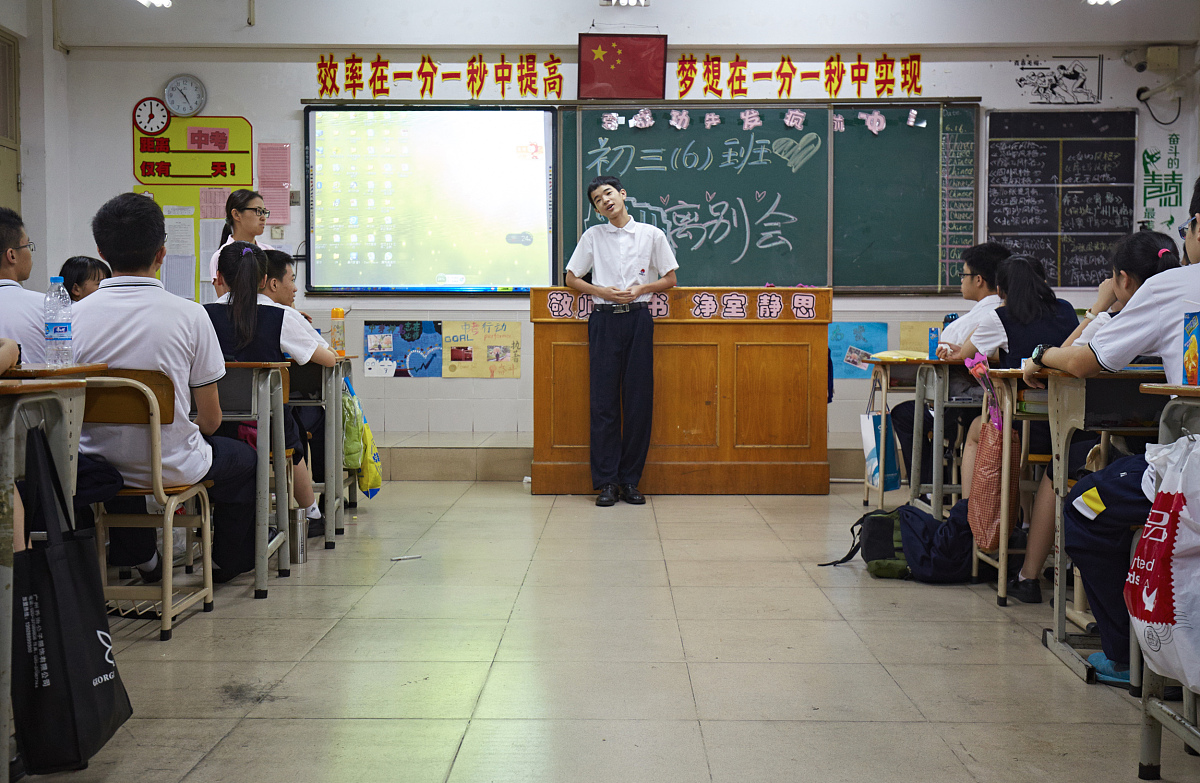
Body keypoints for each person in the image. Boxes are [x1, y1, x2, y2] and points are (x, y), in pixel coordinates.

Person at [1017, 178, 1200, 683]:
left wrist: (1041, 355)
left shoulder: (1171, 290)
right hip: (1173, 463)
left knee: (1083, 507)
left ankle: (1129, 655)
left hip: (1189, 475)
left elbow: (1078, 361)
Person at [74, 192, 259, 583]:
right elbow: (210, 421)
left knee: (121, 469)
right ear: (162, 252)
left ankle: (143, 559)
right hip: (171, 466)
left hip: (93, 468)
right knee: (244, 461)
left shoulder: (70, 319)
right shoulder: (190, 315)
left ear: (101, 251)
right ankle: (229, 563)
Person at [1008, 231, 1179, 604]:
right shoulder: (1183, 307)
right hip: (1168, 448)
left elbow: (1071, 358)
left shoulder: (1114, 324)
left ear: (1122, 279)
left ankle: (1028, 575)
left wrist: (1099, 309)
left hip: (1140, 459)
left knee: (1064, 464)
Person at [207, 244, 337, 535]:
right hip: (266, 425)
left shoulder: (201, 315)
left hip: (211, 422)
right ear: (264, 281)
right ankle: (310, 514)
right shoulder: (281, 316)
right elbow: (328, 359)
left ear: (219, 277)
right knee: (290, 426)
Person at [564, 175, 678, 506]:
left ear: (623, 194)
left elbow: (670, 278)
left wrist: (643, 288)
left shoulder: (651, 234)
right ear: (597, 209)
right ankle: (606, 482)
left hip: (639, 319)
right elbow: (571, 278)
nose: (606, 201)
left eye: (609, 194)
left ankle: (631, 480)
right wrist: (599, 290)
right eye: (598, 200)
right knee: (603, 404)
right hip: (603, 321)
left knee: (638, 402)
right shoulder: (593, 236)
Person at [892, 241, 1011, 487]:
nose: (960, 281)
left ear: (979, 279)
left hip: (965, 409)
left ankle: (927, 488)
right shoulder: (1014, 313)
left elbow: (942, 356)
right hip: (1005, 404)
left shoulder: (968, 323)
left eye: (963, 274)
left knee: (904, 414)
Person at [959, 255, 1079, 497]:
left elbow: (966, 353)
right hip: (1069, 429)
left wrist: (1000, 309)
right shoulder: (1065, 309)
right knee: (1013, 418)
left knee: (974, 432)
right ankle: (1024, 519)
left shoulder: (1003, 316)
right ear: (1043, 282)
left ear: (1000, 289)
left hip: (1026, 433)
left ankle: (968, 510)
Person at [0, 208, 48, 364]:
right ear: (12, 255)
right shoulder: (47, 306)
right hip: (35, 388)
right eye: (27, 245)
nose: (30, 253)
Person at [207, 189, 274, 297]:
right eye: (257, 211)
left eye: (264, 212)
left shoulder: (269, 252)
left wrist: (293, 313)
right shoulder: (220, 256)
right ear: (236, 214)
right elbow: (224, 302)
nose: (263, 218)